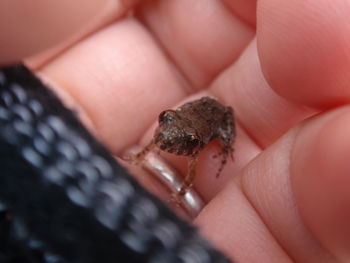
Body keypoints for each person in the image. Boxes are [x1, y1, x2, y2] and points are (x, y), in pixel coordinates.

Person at [1, 0, 349, 262]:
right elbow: (161, 135)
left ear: (190, 145)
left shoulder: (193, 150)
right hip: (194, 114)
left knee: (228, 134)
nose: (165, 139)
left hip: (210, 118)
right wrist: (141, 153)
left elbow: (194, 166)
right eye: (163, 125)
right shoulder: (167, 133)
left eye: (175, 140)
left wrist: (186, 189)